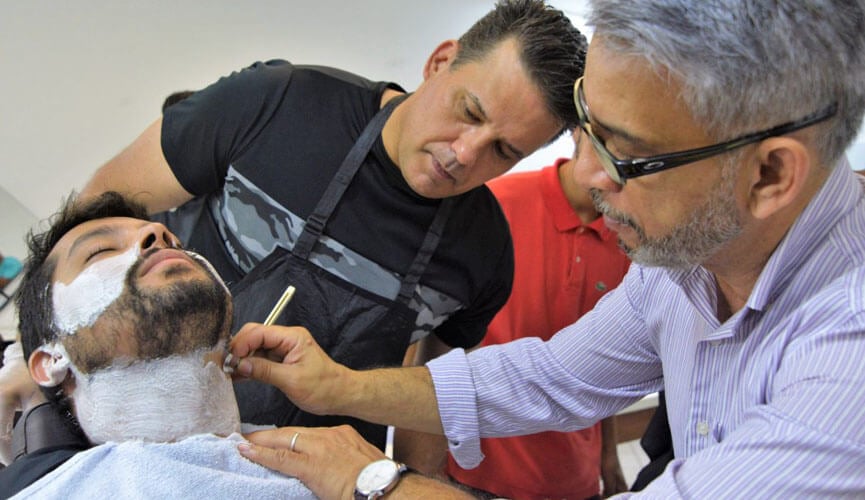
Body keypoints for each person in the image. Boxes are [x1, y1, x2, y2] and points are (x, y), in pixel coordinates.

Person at [221, 0, 865, 497]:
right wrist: (339, 387)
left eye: (629, 157)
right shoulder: (685, 259)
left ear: (771, 176)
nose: (589, 178)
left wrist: (375, 482)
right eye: (589, 130)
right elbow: (553, 377)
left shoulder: (849, 349)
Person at [1, 0, 581, 455]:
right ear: (439, 62)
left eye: (504, 149)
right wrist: (32, 358)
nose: (463, 153)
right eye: (469, 111)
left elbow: (425, 394)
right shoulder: (275, 104)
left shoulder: (484, 256)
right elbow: (97, 216)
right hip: (151, 440)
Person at [0, 191, 315, 498]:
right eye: (101, 250)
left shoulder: (325, 463)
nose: (160, 233)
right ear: (51, 361)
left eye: (176, 243)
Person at [399, 132, 630, 498]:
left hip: (573, 480)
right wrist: (419, 470)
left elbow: (610, 369)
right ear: (577, 128)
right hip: (471, 474)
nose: (619, 159)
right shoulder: (495, 207)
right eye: (607, 138)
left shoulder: (633, 238)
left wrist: (608, 458)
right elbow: (427, 345)